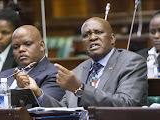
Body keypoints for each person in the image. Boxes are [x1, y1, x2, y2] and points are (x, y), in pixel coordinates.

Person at [14, 17, 148, 108]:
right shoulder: (78, 71)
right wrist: (37, 92)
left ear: (112, 39)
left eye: (98, 32)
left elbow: (127, 104)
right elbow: (63, 111)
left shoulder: (131, 62)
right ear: (82, 44)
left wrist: (80, 90)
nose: (93, 37)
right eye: (86, 35)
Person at [0, 25, 65, 109]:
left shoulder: (55, 75)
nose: (21, 49)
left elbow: (49, 108)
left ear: (42, 46)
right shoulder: (2, 76)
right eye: (16, 47)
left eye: (27, 44)